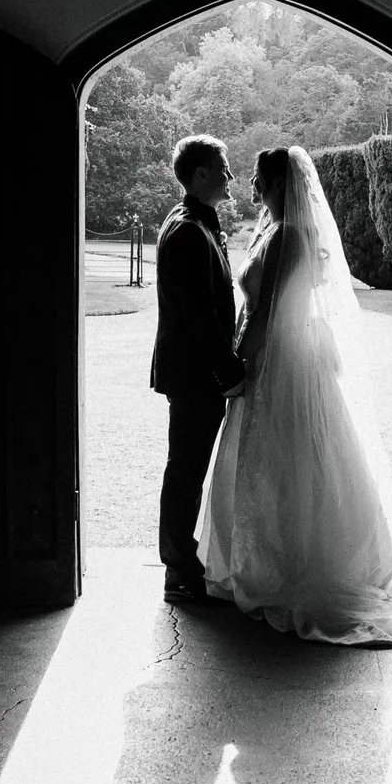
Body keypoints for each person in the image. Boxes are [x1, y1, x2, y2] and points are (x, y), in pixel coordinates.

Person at [198, 146, 392, 647]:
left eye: (260, 180)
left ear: (275, 184)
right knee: (288, 460)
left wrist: (238, 363)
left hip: (278, 358)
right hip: (286, 351)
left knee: (287, 459)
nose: (254, 187)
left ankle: (291, 564)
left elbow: (267, 310)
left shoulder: (289, 234)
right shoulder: (279, 230)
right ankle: (269, 557)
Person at [149, 134, 246, 603]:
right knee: (185, 469)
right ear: (202, 172)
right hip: (193, 375)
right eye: (223, 167)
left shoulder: (196, 222)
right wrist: (229, 373)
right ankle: (178, 569)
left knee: (187, 467)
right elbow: (199, 317)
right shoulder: (188, 229)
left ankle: (182, 561)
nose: (229, 176)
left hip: (193, 373)